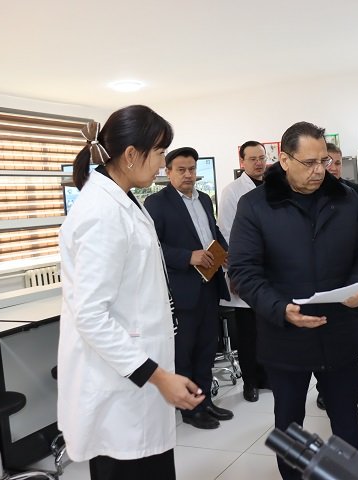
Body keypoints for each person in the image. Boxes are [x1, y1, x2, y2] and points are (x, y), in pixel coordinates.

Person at [228, 121, 358, 480]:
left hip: (339, 331)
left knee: (347, 422)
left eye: (323, 161)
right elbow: (244, 271)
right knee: (289, 426)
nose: (319, 171)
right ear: (284, 160)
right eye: (309, 162)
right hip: (285, 337)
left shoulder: (346, 198)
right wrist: (280, 308)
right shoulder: (255, 205)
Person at [58, 105, 204, 480]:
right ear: (130, 155)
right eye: (159, 153)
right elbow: (91, 315)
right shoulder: (101, 213)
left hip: (136, 384)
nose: (162, 164)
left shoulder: (123, 200)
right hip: (121, 389)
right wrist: (158, 376)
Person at [144, 147, 233, 430]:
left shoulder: (204, 199)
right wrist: (187, 257)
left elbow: (212, 232)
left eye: (192, 169)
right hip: (182, 290)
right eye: (181, 170)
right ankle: (191, 410)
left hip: (209, 284)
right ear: (168, 172)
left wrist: (225, 252)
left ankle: (206, 402)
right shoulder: (156, 203)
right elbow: (152, 247)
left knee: (207, 349)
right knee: (185, 352)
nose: (188, 175)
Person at [315, 142, 358, 410]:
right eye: (329, 162)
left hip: (351, 276)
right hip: (321, 279)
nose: (334, 168)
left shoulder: (355, 192)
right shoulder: (311, 193)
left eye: (338, 163)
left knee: (350, 334)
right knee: (321, 335)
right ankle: (323, 389)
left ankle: (352, 385)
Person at [217, 140, 269, 402]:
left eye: (262, 158)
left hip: (271, 271)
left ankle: (266, 377)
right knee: (248, 332)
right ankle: (251, 382)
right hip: (246, 271)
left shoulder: (273, 186)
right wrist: (236, 272)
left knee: (268, 329)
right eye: (253, 159)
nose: (259, 163)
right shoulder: (232, 191)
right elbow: (227, 233)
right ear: (242, 162)